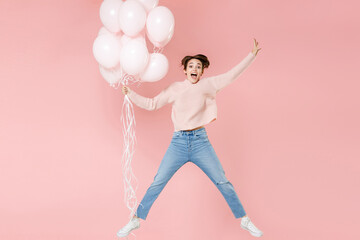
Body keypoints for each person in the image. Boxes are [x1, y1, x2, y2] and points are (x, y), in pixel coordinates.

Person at [117, 39, 263, 238]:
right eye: (191, 66)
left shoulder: (208, 85)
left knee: (222, 181)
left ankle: (244, 219)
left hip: (200, 142)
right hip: (178, 143)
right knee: (158, 181)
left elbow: (231, 76)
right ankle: (135, 220)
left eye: (198, 66)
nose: (195, 69)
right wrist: (131, 94)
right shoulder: (174, 89)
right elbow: (151, 104)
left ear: (202, 72)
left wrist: (251, 55)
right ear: (185, 70)